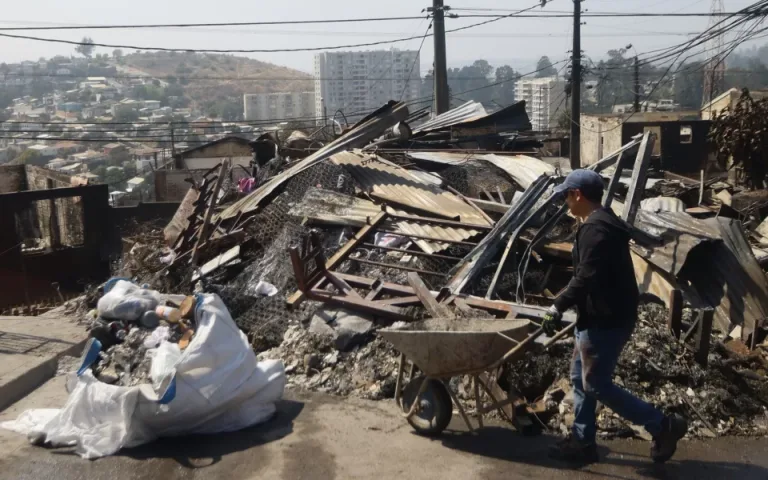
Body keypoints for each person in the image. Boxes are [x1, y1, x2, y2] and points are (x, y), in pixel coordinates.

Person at [542, 169, 687, 465]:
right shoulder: (603, 222)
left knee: (595, 383)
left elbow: (586, 276)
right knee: (580, 380)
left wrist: (557, 306)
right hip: (601, 315)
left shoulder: (596, 230)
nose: (566, 202)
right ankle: (583, 443)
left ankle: (662, 425)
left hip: (605, 319)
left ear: (578, 195)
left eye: (567, 195)